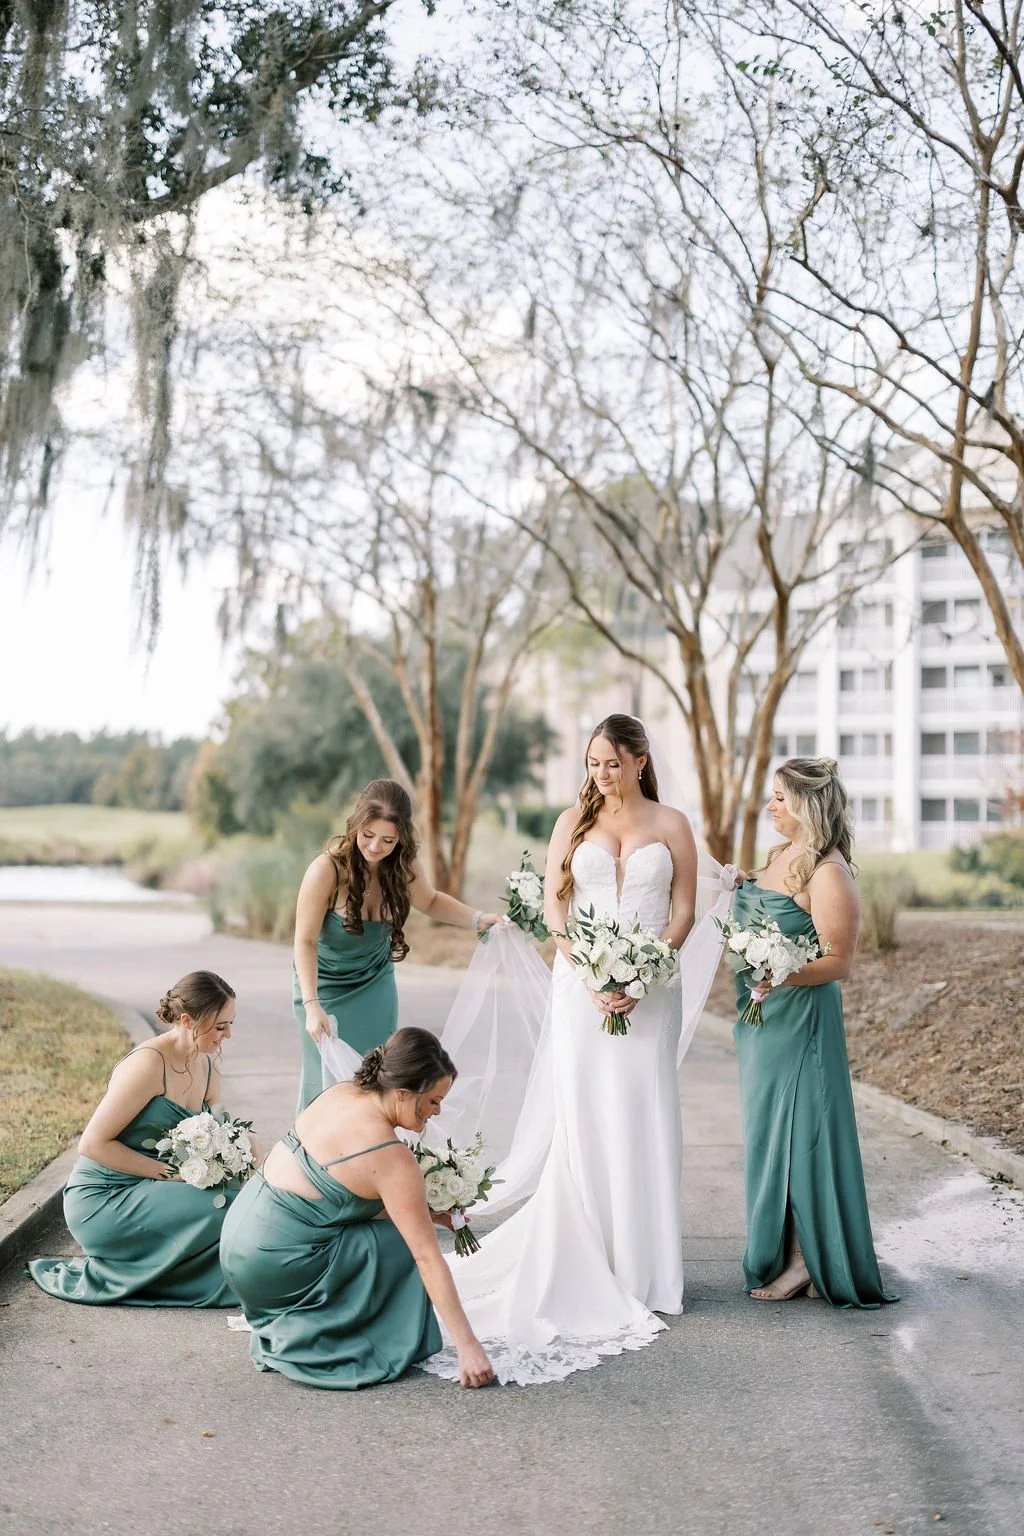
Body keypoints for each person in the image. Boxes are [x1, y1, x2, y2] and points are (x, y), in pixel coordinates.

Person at [420, 714, 701, 1386]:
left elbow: (684, 911)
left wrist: (643, 973)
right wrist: (592, 973)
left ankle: (645, 1270)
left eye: (612, 763)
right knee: (587, 1115)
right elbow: (555, 912)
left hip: (652, 991)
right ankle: (589, 1257)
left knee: (642, 1111)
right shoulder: (571, 822)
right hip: (581, 987)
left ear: (640, 761)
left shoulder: (673, 824)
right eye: (593, 763)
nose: (601, 775)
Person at [219, 1027, 495, 1390]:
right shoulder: (391, 1158)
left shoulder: (341, 1093)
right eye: (433, 1101)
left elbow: (337, 1195)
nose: (437, 1111)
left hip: (240, 1243)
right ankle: (356, 1335)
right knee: (397, 1243)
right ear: (402, 1093)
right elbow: (427, 1258)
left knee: (392, 1228)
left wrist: (427, 1214)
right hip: (276, 1267)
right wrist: (468, 1346)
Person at [731, 757, 896, 1307]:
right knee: (767, 1137)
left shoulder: (828, 873)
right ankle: (781, 1250)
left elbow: (838, 962)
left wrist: (781, 974)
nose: (770, 806)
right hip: (763, 1021)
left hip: (801, 1020)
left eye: (780, 797)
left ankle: (807, 1259)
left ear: (808, 804)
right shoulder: (780, 856)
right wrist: (740, 884)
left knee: (802, 1136)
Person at [28, 972, 242, 1307]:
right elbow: (92, 1145)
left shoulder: (208, 1067)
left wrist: (241, 1157)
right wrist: (176, 1175)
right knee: (222, 1203)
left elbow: (222, 1130)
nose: (227, 1034)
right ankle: (229, 1279)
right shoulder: (148, 1064)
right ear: (187, 1020)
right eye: (220, 1026)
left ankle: (212, 1272)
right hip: (105, 1198)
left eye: (230, 1025)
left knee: (245, 1195)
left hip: (156, 1191)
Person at [292, 779, 501, 1113]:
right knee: (327, 1084)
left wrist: (477, 919)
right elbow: (304, 941)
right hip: (322, 987)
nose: (375, 847)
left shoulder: (403, 866)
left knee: (379, 1079)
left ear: (401, 837)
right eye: (368, 835)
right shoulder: (326, 870)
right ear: (356, 825)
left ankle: (372, 1144)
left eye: (388, 840)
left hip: (375, 983)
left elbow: (430, 901)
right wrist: (312, 1004)